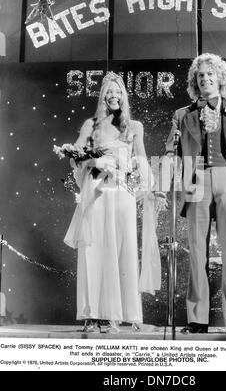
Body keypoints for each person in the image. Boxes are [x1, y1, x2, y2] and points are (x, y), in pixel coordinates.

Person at [165, 53, 226, 335]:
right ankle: (197, 319)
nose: (205, 79)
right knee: (196, 252)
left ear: (220, 78)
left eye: (209, 74)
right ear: (195, 82)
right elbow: (173, 152)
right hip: (196, 180)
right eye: (200, 76)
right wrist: (173, 147)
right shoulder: (183, 114)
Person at [64, 72, 165, 333]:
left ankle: (115, 314)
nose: (113, 96)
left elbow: (142, 161)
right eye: (109, 92)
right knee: (93, 248)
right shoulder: (91, 125)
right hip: (97, 191)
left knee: (122, 249)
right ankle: (91, 314)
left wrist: (143, 183)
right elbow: (75, 156)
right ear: (102, 97)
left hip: (122, 193)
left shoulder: (134, 127)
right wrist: (95, 161)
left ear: (124, 96)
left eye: (118, 92)